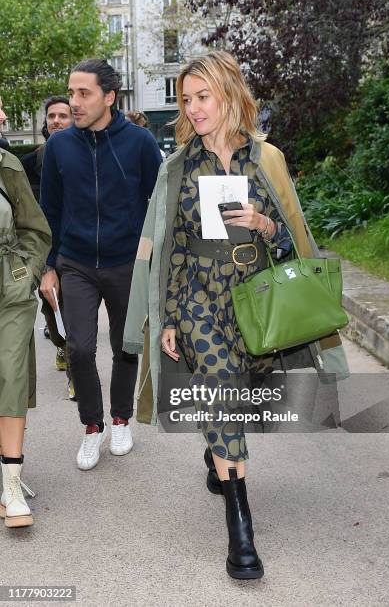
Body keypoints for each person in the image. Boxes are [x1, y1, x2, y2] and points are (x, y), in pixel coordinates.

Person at [123, 51, 349, 579]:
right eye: (186, 100)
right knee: (222, 392)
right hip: (200, 295)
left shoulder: (266, 158)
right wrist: (172, 318)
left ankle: (217, 455)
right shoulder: (177, 167)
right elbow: (169, 248)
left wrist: (263, 224)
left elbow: (294, 233)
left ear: (229, 95)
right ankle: (240, 530)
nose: (193, 109)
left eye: (203, 97)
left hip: (256, 297)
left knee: (241, 391)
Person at [40, 59, 162, 471]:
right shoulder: (58, 146)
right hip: (74, 263)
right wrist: (48, 266)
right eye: (71, 93)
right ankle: (92, 427)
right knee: (79, 347)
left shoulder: (140, 143)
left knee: (125, 347)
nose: (74, 102)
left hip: (126, 263)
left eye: (83, 93)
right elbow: (49, 210)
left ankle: (121, 420)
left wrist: (150, 258)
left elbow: (158, 206)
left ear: (108, 97)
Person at [0, 95, 52, 528]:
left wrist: (27, 272)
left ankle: (12, 484)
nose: (3, 115)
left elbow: (35, 229)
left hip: (9, 291)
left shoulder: (7, 165)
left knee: (11, 376)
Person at [21, 96, 74, 395]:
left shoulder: (83, 158)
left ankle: (76, 373)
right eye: (51, 116)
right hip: (42, 249)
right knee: (51, 309)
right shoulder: (29, 163)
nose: (56, 120)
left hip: (75, 248)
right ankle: (61, 345)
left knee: (75, 313)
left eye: (63, 116)